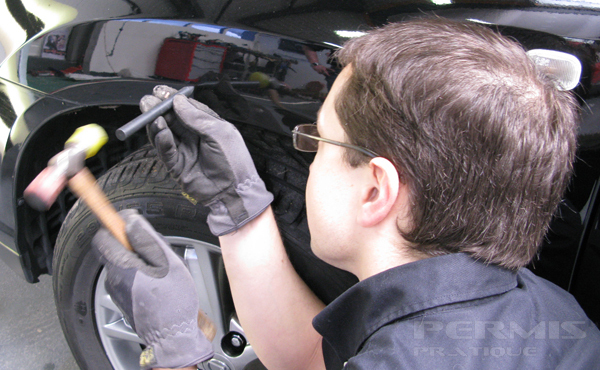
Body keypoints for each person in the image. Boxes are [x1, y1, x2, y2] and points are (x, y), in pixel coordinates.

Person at [92, 18, 600, 370]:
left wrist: (174, 351)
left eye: (317, 140)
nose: (309, 157)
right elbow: (312, 361)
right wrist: (238, 207)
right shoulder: (552, 315)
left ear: (376, 189)